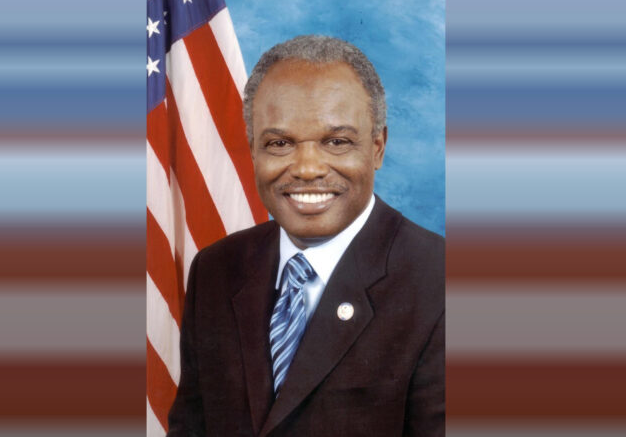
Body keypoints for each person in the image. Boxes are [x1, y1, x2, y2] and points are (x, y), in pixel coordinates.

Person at [168, 35, 444, 436]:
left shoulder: (440, 282)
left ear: (378, 147)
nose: (307, 168)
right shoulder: (216, 269)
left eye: (337, 142)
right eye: (280, 143)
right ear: (253, 149)